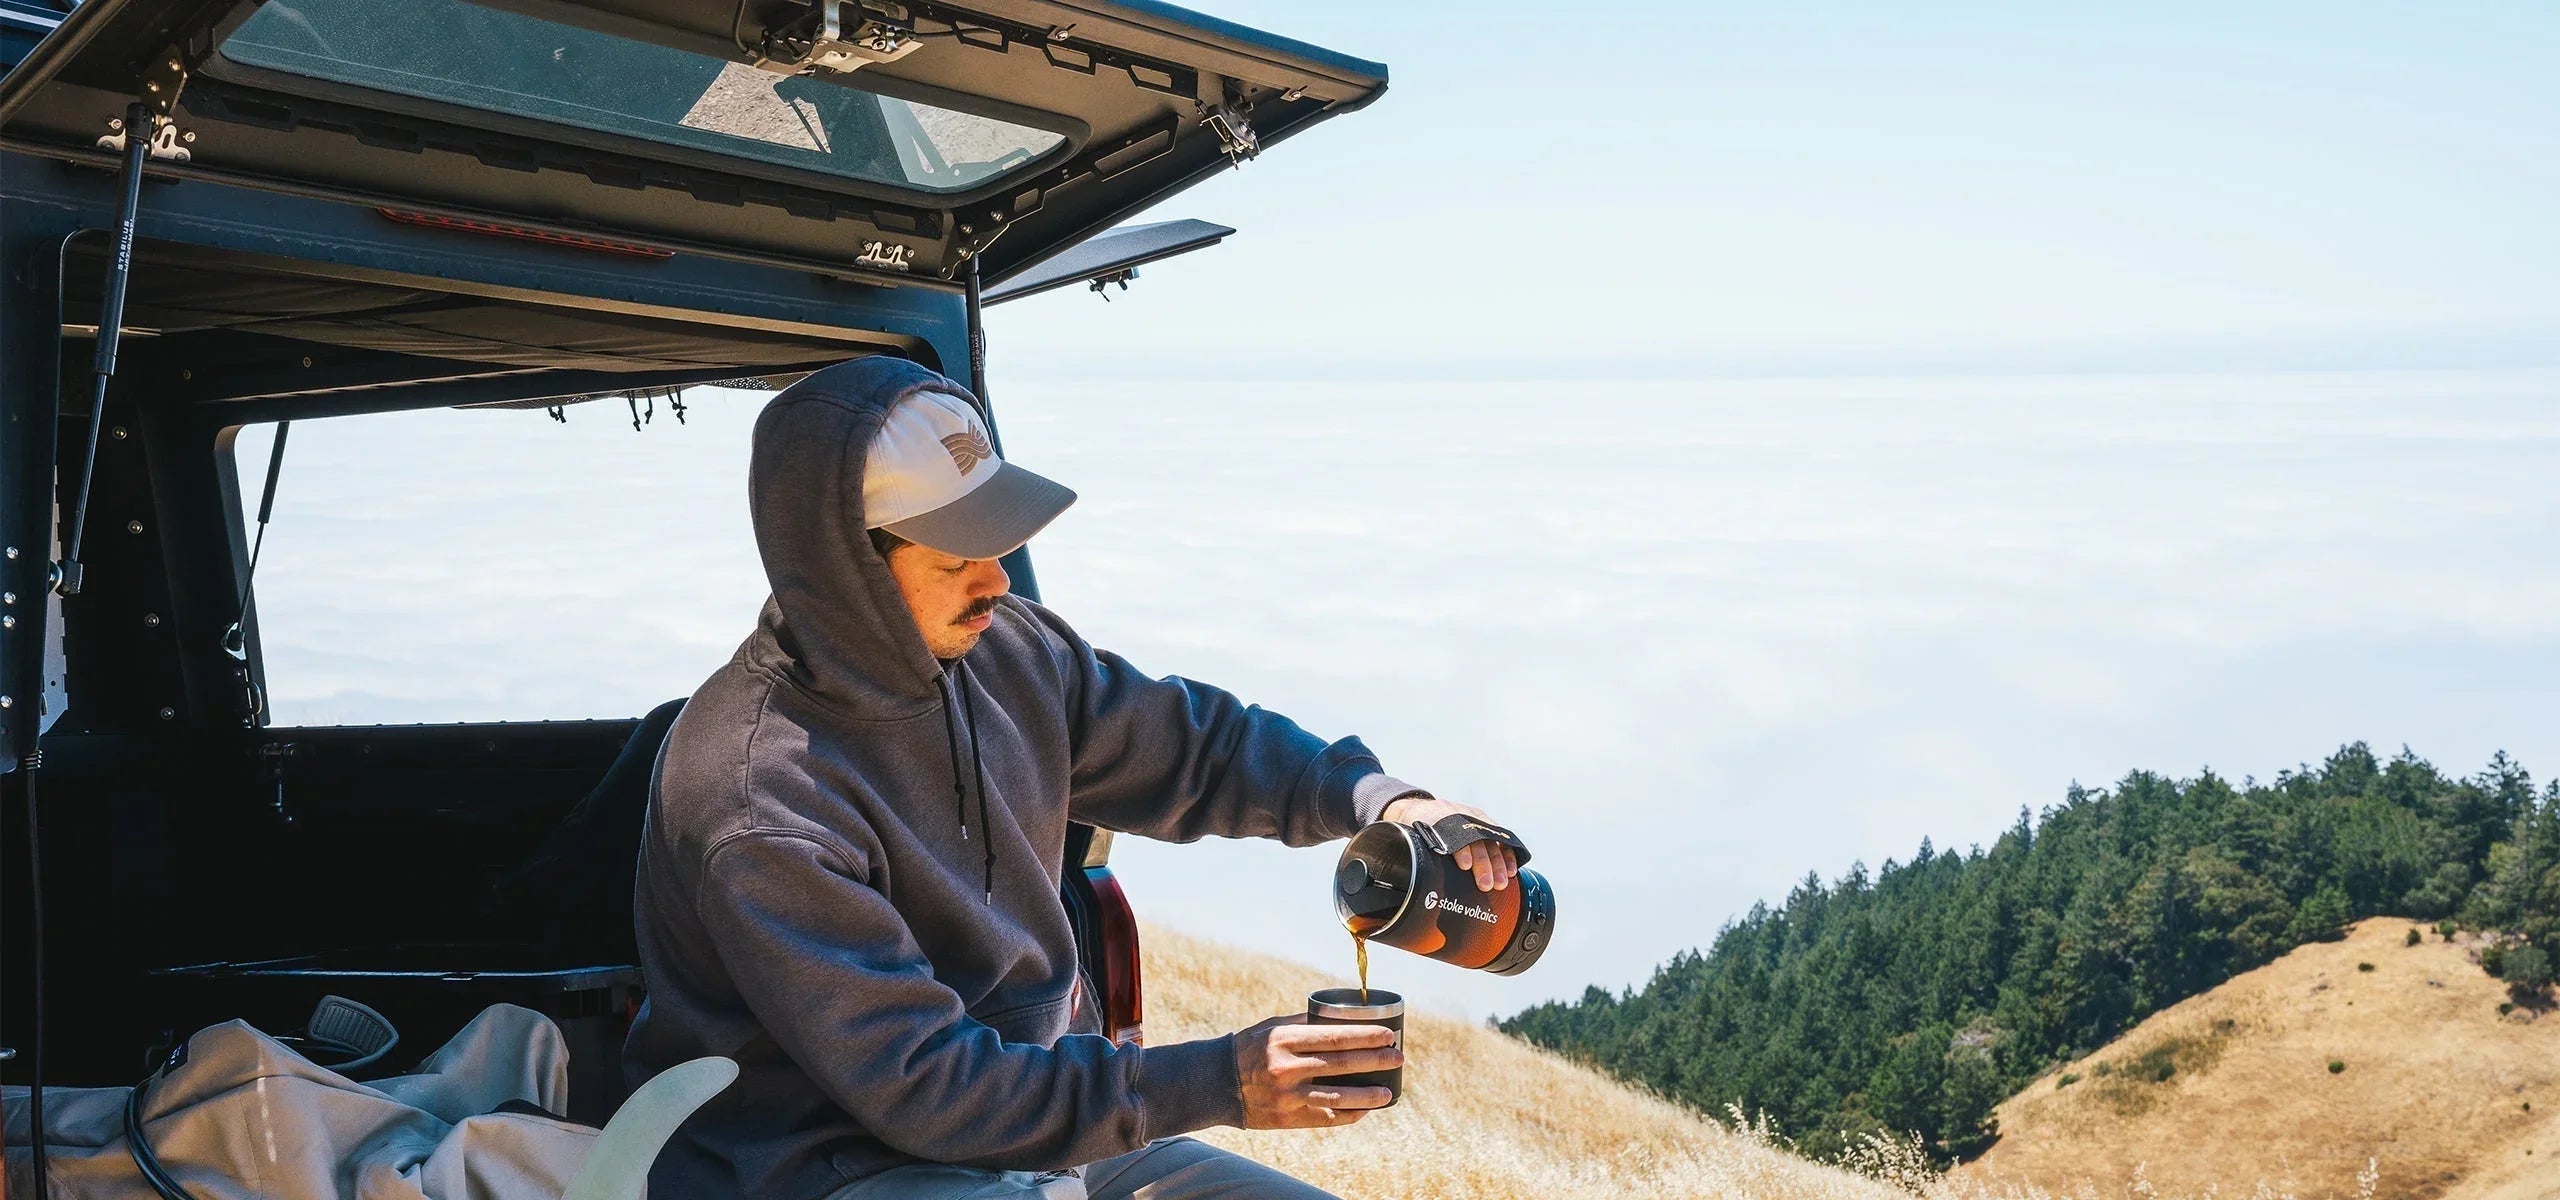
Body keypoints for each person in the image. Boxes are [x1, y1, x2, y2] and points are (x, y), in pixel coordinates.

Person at [624, 357, 1519, 1200]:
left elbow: (1199, 751)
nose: (998, 578)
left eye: (998, 539)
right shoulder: (761, 800)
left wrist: (1380, 799)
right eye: (954, 557)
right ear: (844, 569)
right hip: (831, 1167)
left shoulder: (1008, 651)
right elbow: (928, 1088)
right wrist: (1222, 1081)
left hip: (1047, 1130)